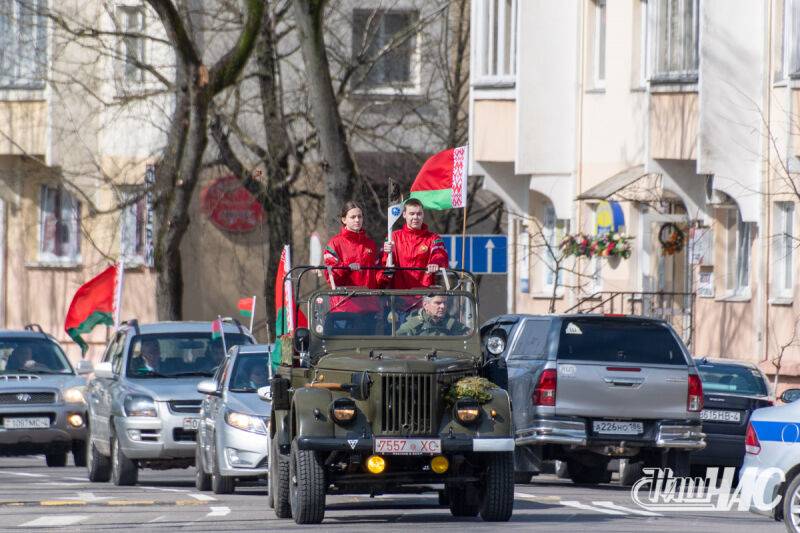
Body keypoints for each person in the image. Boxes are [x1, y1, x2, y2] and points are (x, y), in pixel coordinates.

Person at [380, 198, 449, 289]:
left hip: (424, 295)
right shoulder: (393, 237)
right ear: (404, 214)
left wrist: (435, 263)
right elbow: (382, 265)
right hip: (399, 295)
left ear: (423, 215)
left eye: (419, 214)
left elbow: (440, 254)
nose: (415, 217)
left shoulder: (433, 238)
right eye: (412, 214)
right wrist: (387, 254)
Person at [323, 201, 381, 290]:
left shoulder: (371, 244)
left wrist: (387, 273)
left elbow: (378, 277)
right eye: (353, 217)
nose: (357, 220)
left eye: (360, 216)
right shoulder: (334, 244)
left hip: (370, 300)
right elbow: (330, 276)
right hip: (345, 300)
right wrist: (347, 267)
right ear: (344, 220)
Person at [396, 294, 469, 336]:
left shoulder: (451, 323)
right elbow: (396, 347)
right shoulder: (412, 326)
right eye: (438, 303)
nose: (443, 306)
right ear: (425, 305)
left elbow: (469, 339)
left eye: (445, 303)